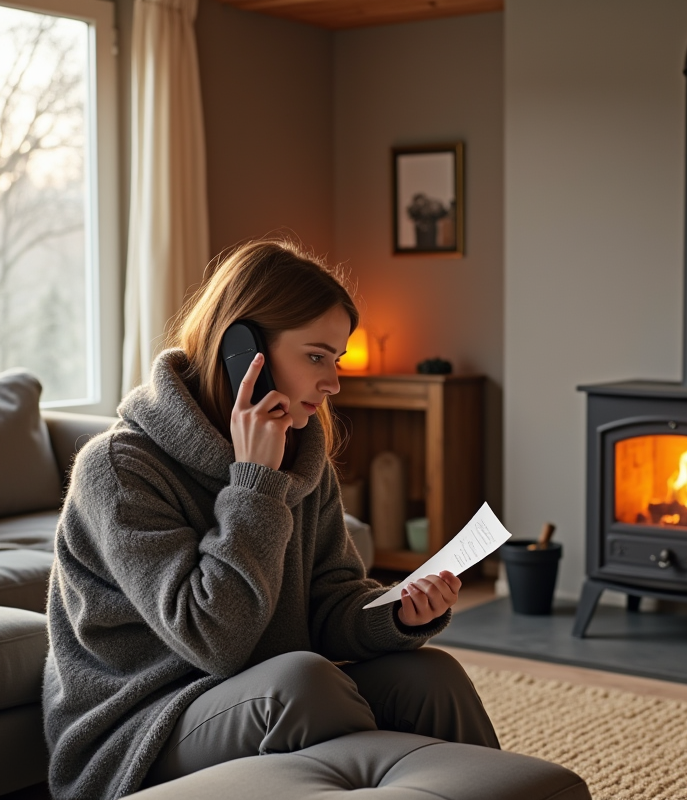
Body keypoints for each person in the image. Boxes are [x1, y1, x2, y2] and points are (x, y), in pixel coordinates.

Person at [43, 239, 499, 800]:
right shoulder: (117, 469)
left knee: (432, 677)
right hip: (140, 728)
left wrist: (398, 614)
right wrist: (254, 484)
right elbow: (215, 642)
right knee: (304, 683)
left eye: (338, 359)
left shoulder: (301, 454)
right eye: (316, 356)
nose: (333, 383)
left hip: (267, 694)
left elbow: (329, 604)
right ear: (242, 351)